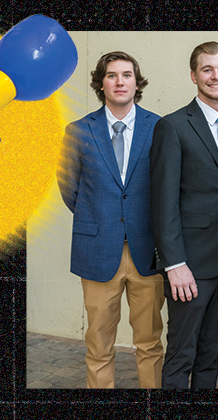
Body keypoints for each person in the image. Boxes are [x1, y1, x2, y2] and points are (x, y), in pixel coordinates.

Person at [57, 51, 164, 388]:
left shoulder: (158, 127)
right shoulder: (77, 132)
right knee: (99, 344)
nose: (120, 81)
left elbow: (164, 184)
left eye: (127, 75)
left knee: (149, 342)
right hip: (99, 250)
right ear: (101, 83)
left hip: (148, 250)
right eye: (112, 75)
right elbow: (69, 188)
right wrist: (102, 217)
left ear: (137, 82)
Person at [150, 41, 218, 389]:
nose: (215, 76)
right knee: (181, 354)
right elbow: (162, 202)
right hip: (189, 265)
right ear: (194, 75)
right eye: (207, 69)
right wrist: (174, 264)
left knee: (212, 352)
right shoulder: (173, 126)